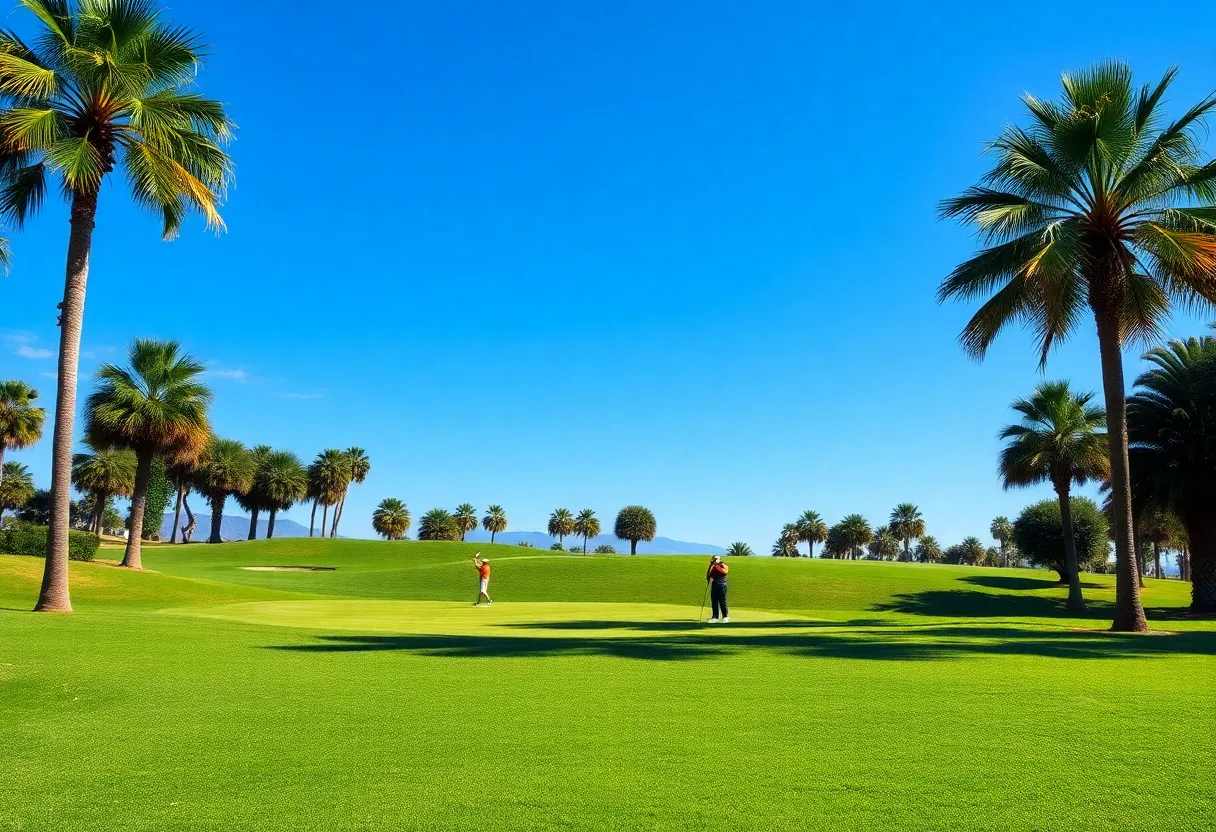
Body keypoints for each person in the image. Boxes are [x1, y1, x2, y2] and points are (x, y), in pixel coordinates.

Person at [706, 555, 728, 623]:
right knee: (714, 601)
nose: (714, 560)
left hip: (721, 585)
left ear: (720, 559)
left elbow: (725, 572)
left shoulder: (723, 566)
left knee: (722, 601)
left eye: (716, 558)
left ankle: (724, 617)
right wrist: (712, 565)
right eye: (714, 558)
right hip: (716, 585)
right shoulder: (713, 566)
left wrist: (715, 565)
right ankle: (715, 617)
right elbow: (710, 575)